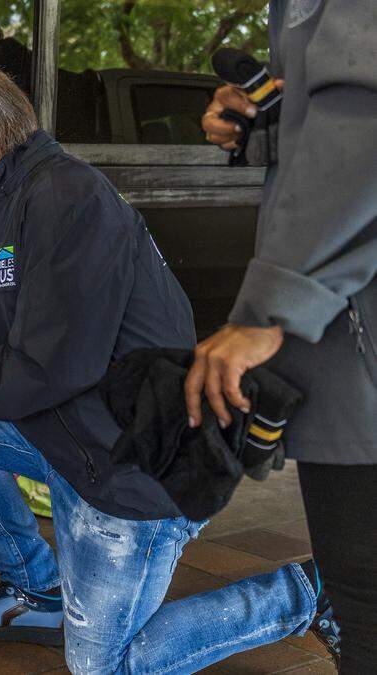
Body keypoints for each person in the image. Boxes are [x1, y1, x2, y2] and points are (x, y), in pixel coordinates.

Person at [0, 65, 334, 674]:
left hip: (134, 471)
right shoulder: (5, 203)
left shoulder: (64, 197)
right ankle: (40, 587)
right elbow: (24, 358)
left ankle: (308, 595)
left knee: (103, 669)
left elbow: (49, 367)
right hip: (77, 442)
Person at [193, 2, 376, 670]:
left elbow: (361, 121)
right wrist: (263, 118)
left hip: (358, 349)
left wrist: (270, 309)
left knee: (364, 608)